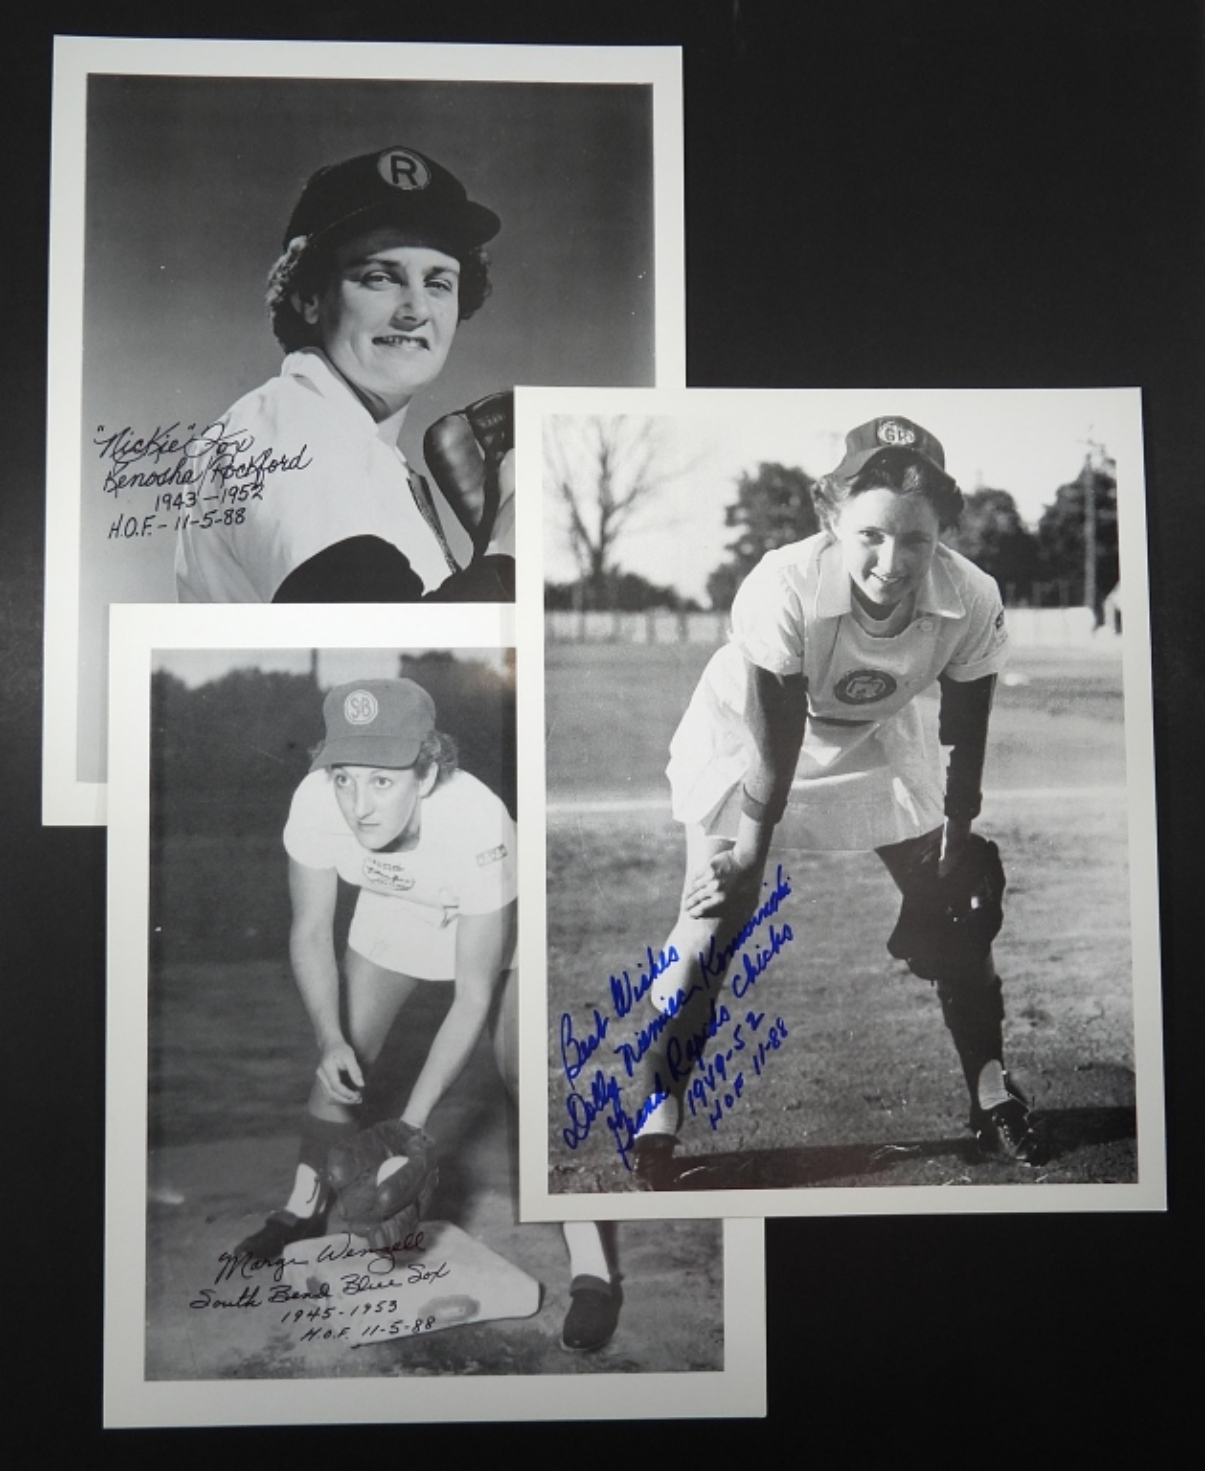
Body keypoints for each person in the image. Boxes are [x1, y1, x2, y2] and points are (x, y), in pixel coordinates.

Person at [626, 415, 1041, 1187]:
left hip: (879, 735)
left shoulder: (971, 594)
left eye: (915, 539)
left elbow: (965, 734)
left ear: (941, 533)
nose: (891, 560)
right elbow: (774, 737)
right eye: (870, 535)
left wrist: (955, 843)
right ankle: (658, 1108)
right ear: (830, 518)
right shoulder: (781, 584)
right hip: (747, 739)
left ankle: (992, 1095)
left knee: (958, 910)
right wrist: (748, 857)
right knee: (712, 924)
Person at [237, 676, 622, 1351]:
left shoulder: (477, 823)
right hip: (395, 910)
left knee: (525, 1075)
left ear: (426, 769)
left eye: (382, 781)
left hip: (497, 930)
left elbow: (471, 994)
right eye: (345, 778)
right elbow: (309, 930)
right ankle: (301, 1208)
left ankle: (593, 1266)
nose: (359, 805)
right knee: (344, 1059)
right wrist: (328, 1037)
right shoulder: (315, 801)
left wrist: (411, 1129)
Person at [175, 145, 514, 604]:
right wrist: (509, 550)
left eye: (438, 283)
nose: (416, 310)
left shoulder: (358, 445)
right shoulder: (289, 424)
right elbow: (371, 634)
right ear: (309, 296)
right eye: (380, 277)